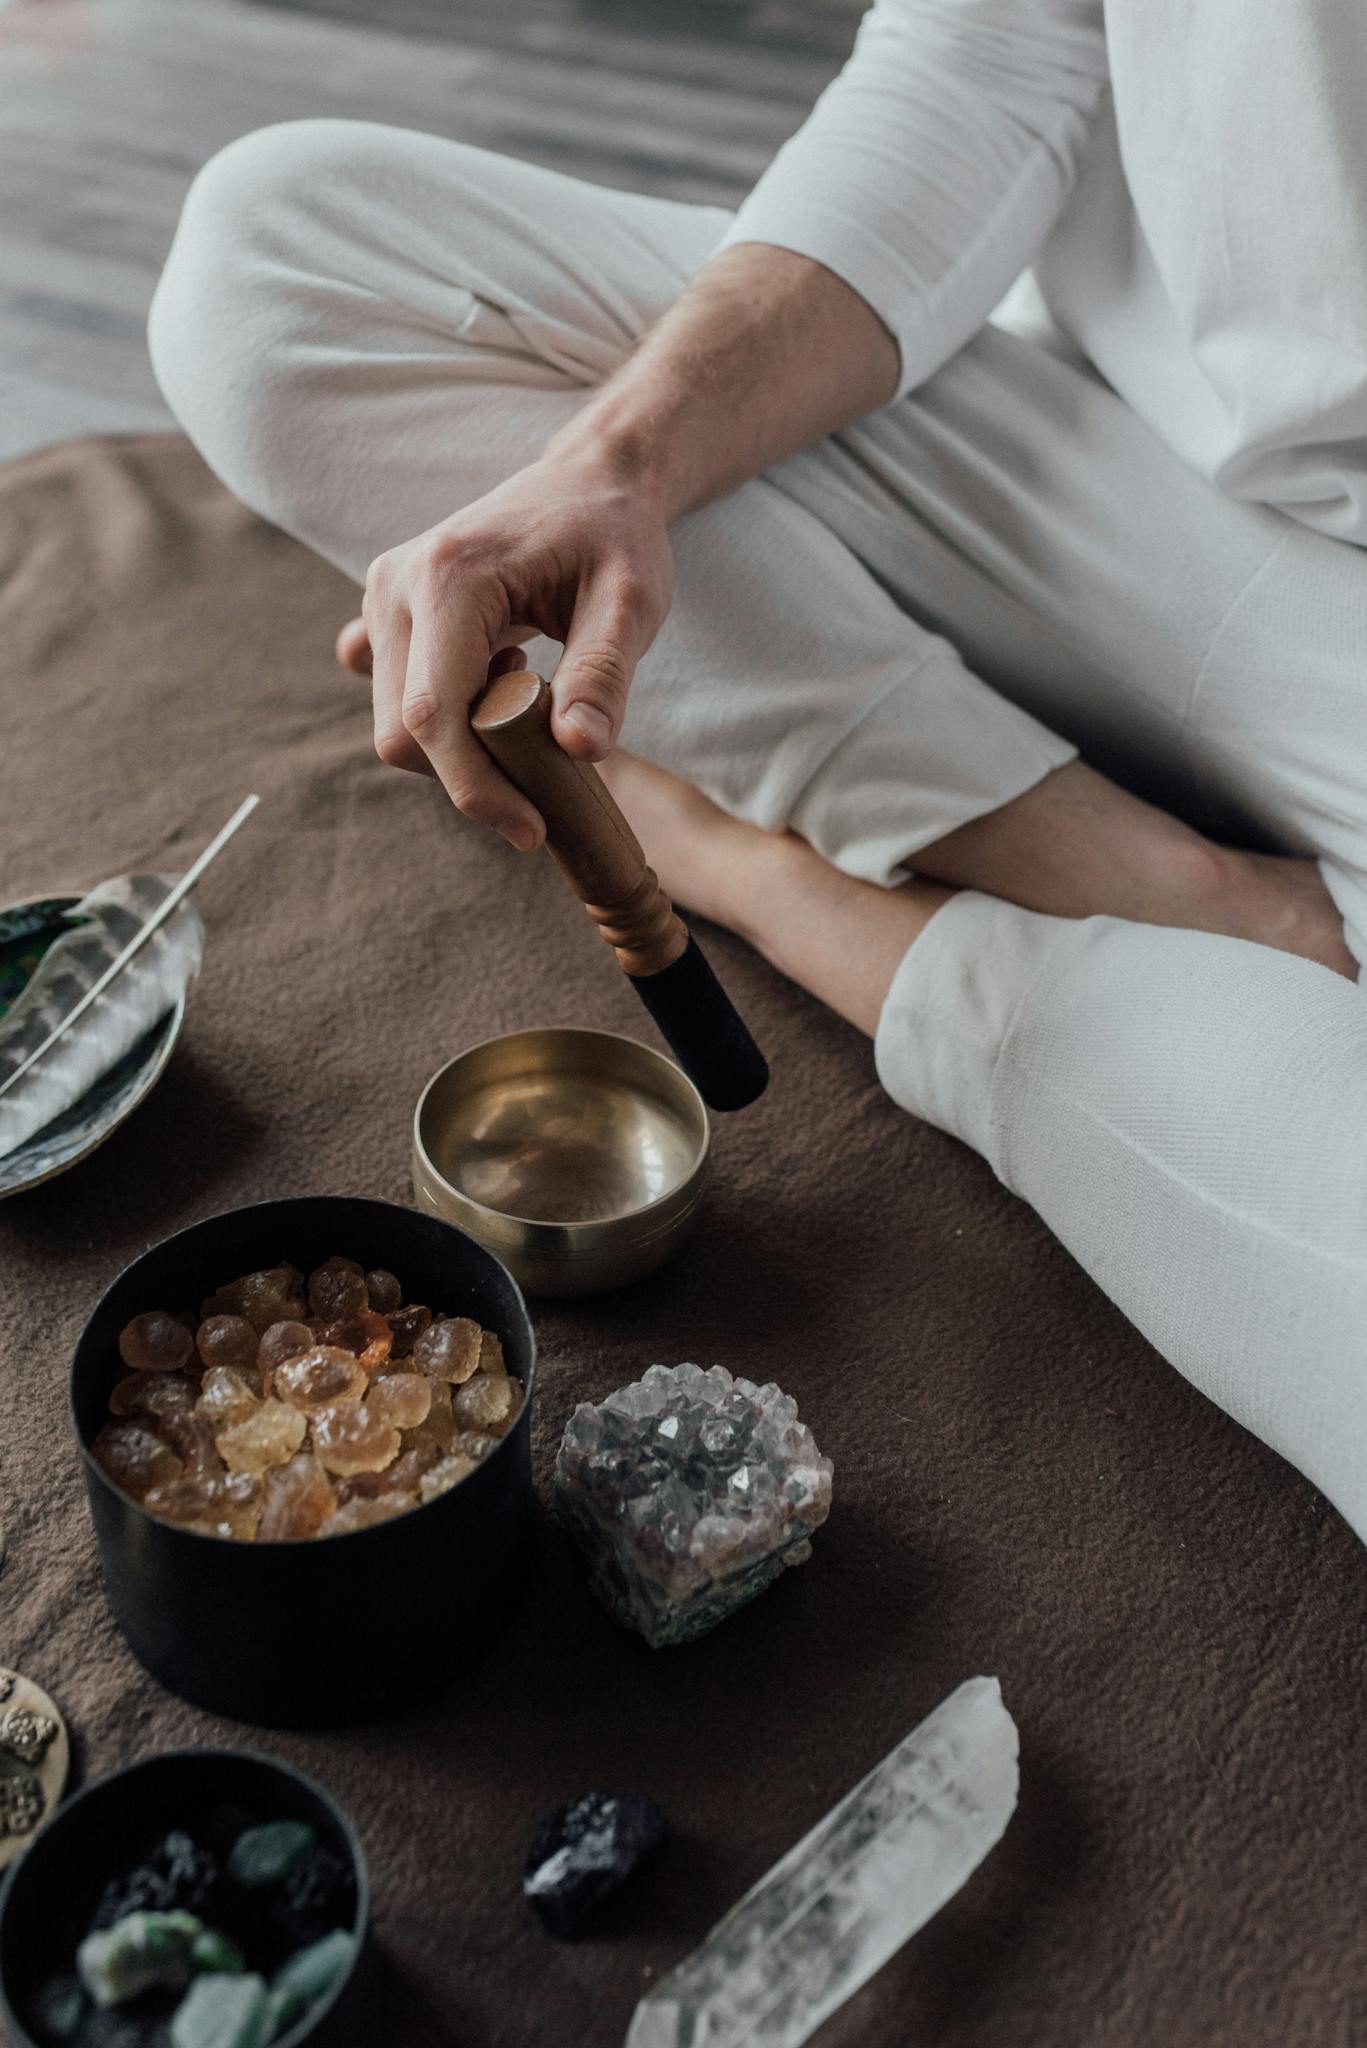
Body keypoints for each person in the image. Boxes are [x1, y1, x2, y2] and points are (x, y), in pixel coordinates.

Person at [146, 0, 1367, 1541]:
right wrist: (616, 467)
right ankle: (1114, 866)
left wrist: (732, 870)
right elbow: (996, 55)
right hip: (1110, 478)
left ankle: (777, 882)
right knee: (269, 261)